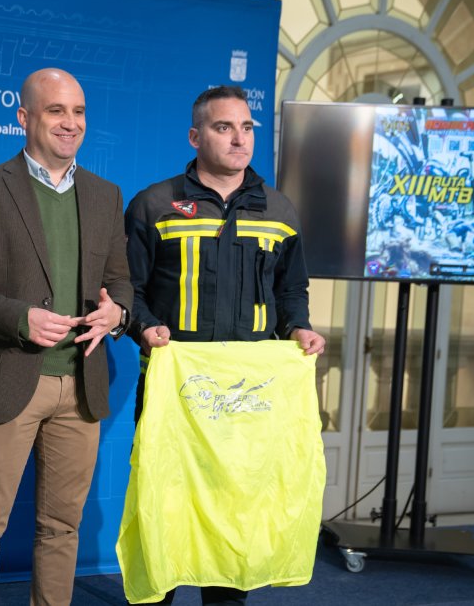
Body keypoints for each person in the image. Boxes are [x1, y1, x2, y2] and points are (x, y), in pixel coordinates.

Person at [124, 85, 325, 605]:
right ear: (195, 136)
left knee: (235, 512)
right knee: (164, 509)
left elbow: (291, 289)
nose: (239, 138)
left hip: (247, 397)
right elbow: (130, 290)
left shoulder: (279, 209)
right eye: (223, 127)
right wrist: (144, 327)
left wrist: (299, 328)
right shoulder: (155, 204)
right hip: (176, 391)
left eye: (247, 127)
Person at [0, 68, 132, 606]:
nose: (70, 123)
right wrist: (18, 318)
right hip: (9, 378)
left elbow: (119, 279)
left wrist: (116, 312)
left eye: (78, 112)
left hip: (83, 387)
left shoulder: (105, 194)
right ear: (25, 118)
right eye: (56, 111)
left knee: (62, 528)